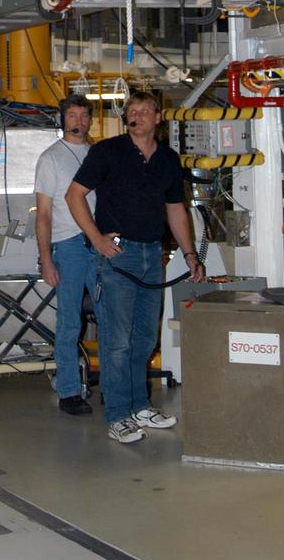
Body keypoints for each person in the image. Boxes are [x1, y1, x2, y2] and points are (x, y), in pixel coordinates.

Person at [65, 90, 204, 444]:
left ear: (158, 117)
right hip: (117, 256)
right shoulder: (107, 152)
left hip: (151, 255)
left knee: (143, 339)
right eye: (131, 111)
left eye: (144, 111)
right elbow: (74, 195)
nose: (136, 115)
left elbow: (175, 209)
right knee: (116, 342)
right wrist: (97, 239)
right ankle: (118, 415)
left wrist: (190, 255)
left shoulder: (168, 160)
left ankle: (140, 406)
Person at [34, 93, 99, 416]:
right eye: (72, 116)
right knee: (69, 321)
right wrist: (46, 259)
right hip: (68, 244)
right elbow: (43, 214)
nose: (79, 122)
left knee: (110, 315)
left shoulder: (97, 154)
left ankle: (113, 384)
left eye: (84, 115)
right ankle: (69, 390)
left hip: (99, 244)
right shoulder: (51, 159)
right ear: (64, 120)